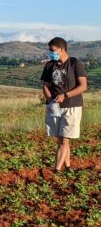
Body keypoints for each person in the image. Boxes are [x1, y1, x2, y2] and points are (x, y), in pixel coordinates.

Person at [41, 37, 87, 173]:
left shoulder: (75, 64)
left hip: (72, 106)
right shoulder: (50, 65)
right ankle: (68, 167)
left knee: (63, 140)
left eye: (53, 50)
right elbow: (45, 85)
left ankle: (56, 170)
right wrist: (50, 100)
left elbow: (83, 86)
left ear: (61, 49)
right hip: (55, 107)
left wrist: (65, 95)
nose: (51, 53)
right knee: (61, 139)